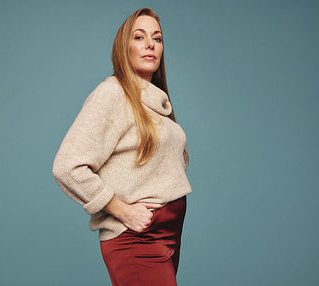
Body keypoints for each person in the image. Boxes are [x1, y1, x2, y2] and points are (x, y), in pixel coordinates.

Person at [52, 7, 191, 286]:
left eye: (157, 38)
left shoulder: (156, 103)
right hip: (138, 240)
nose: (150, 44)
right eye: (139, 37)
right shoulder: (113, 93)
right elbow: (67, 166)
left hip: (167, 237)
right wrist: (121, 209)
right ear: (123, 47)